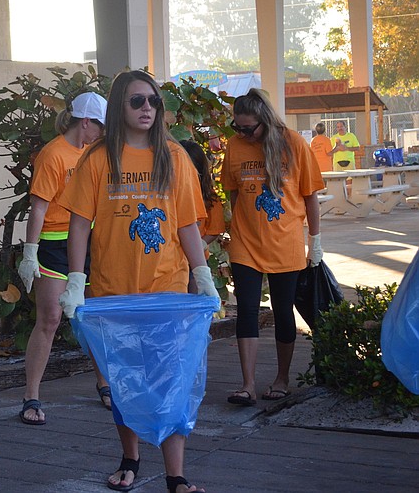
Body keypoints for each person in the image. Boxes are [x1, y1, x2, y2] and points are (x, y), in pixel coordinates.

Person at [58, 70, 218, 493]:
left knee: (171, 380)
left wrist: (202, 275)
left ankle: (176, 475)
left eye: (152, 101)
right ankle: (130, 457)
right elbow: (78, 225)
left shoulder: (174, 156)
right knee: (123, 382)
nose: (147, 108)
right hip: (113, 293)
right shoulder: (97, 159)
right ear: (118, 107)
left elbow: (186, 224)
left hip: (167, 289)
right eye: (136, 102)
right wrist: (76, 280)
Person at [221, 88, 324, 408]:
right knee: (247, 310)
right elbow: (233, 192)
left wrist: (315, 241)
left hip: (286, 242)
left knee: (283, 311)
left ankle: (281, 379)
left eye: (247, 128)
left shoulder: (293, 143)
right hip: (246, 243)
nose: (241, 133)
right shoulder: (236, 146)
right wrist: (242, 223)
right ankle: (248, 384)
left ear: (265, 121)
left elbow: (310, 196)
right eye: (236, 127)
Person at [17, 92, 112, 425]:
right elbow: (39, 207)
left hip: (88, 242)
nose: (103, 133)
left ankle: (105, 385)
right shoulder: (53, 154)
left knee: (93, 316)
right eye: (100, 126)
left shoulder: (93, 153)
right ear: (85, 122)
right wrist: (29, 252)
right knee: (51, 318)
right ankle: (31, 395)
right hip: (54, 245)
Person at [179, 139, 225, 296]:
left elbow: (215, 229)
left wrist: (201, 244)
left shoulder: (210, 198)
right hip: (172, 261)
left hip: (196, 262)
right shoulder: (166, 195)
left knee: (196, 300)